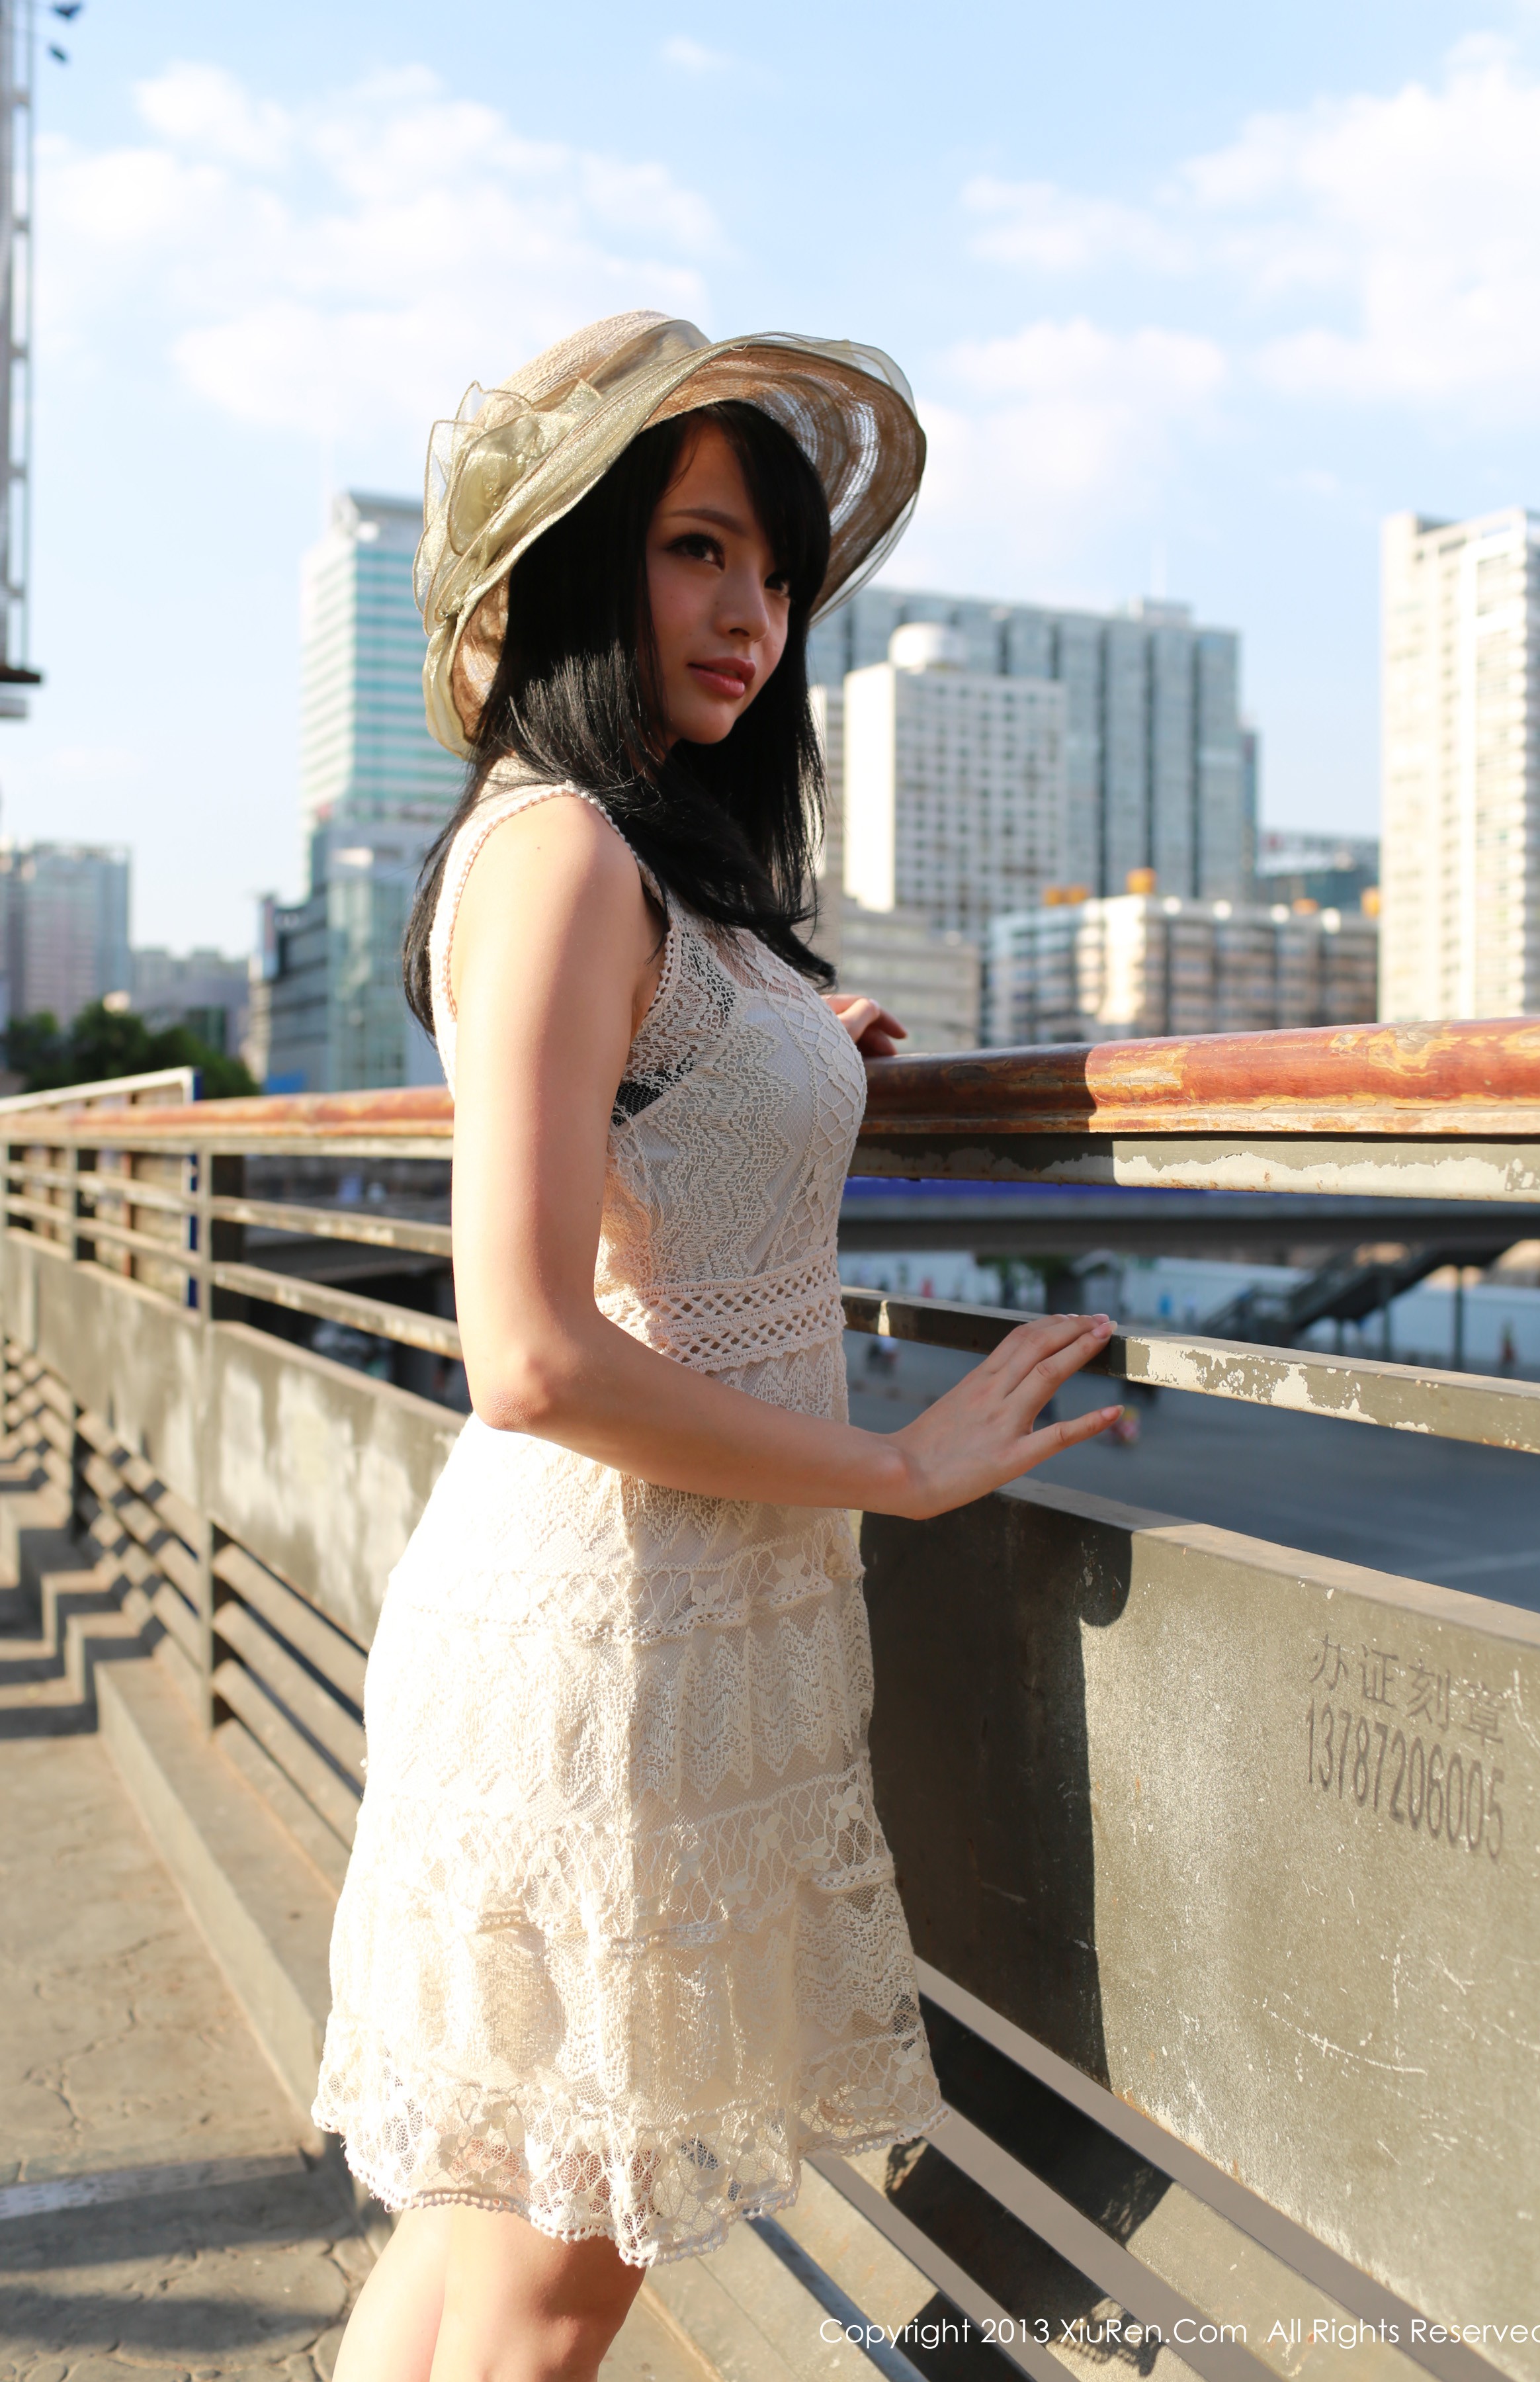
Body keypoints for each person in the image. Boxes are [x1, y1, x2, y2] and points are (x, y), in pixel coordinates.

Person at [313, 312, 1121, 2382]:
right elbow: (529, 1352)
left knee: (487, 2248)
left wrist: (785, 1045)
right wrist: (902, 1467)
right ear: (583, 564)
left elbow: (644, 1111)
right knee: (548, 2289)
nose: (752, 610)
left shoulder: (633, 859)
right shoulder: (564, 852)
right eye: (693, 549)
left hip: (677, 1630)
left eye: (771, 566)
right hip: (613, 1648)